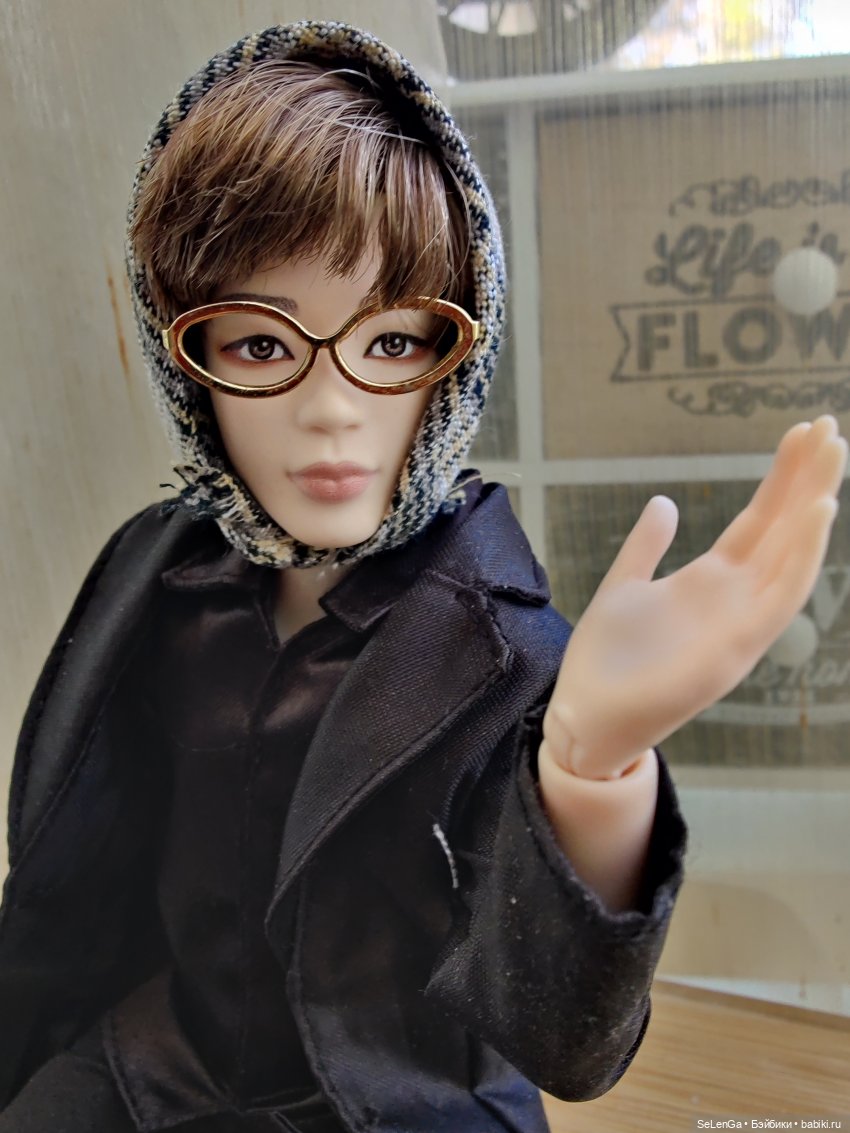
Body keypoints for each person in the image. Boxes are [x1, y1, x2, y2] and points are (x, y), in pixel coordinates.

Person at [0, 18, 844, 1133]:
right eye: (260, 344)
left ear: (462, 349)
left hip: (394, 1096)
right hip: (157, 1063)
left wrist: (591, 765)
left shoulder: (502, 647)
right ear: (182, 358)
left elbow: (564, 1039)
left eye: (394, 341)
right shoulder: (153, 572)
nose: (331, 407)